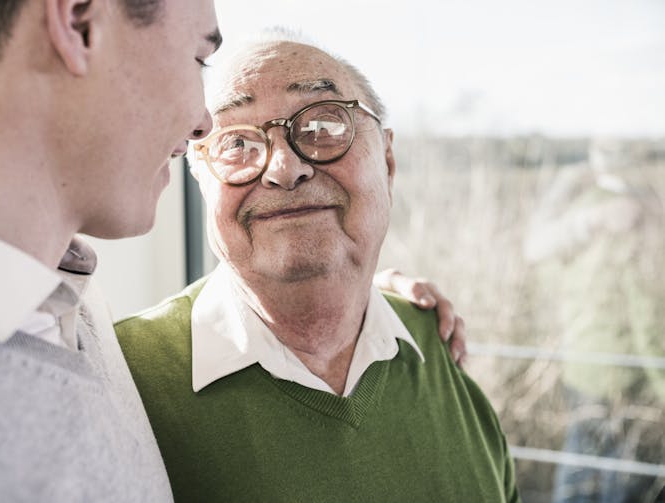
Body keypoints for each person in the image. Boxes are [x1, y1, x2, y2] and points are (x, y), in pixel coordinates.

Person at [0, 3, 462, 501]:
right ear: (78, 22)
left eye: (321, 126)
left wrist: (359, 298)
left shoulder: (68, 309)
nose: (202, 121)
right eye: (200, 58)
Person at [115, 37, 519, 502]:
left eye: (323, 124)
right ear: (201, 180)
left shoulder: (437, 347)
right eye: (238, 142)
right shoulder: (123, 376)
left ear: (387, 161)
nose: (284, 169)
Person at [524, 138, 665, 502]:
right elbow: (645, 314)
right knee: (621, 477)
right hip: (622, 373)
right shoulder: (635, 216)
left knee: (582, 469)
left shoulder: (589, 210)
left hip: (585, 366)